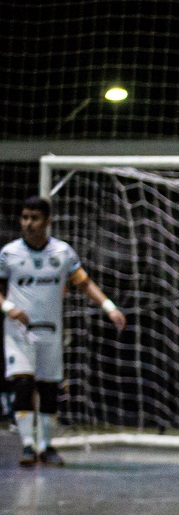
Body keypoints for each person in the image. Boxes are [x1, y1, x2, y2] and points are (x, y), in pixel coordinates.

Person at [1, 195, 126, 466]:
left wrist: (110, 307)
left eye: (34, 218)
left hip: (51, 331)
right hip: (18, 332)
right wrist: (9, 307)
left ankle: (46, 446)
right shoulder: (9, 253)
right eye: (24, 217)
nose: (28, 223)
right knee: (23, 383)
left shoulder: (62, 253)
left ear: (47, 221)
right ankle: (27, 445)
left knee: (48, 388)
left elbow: (84, 283)